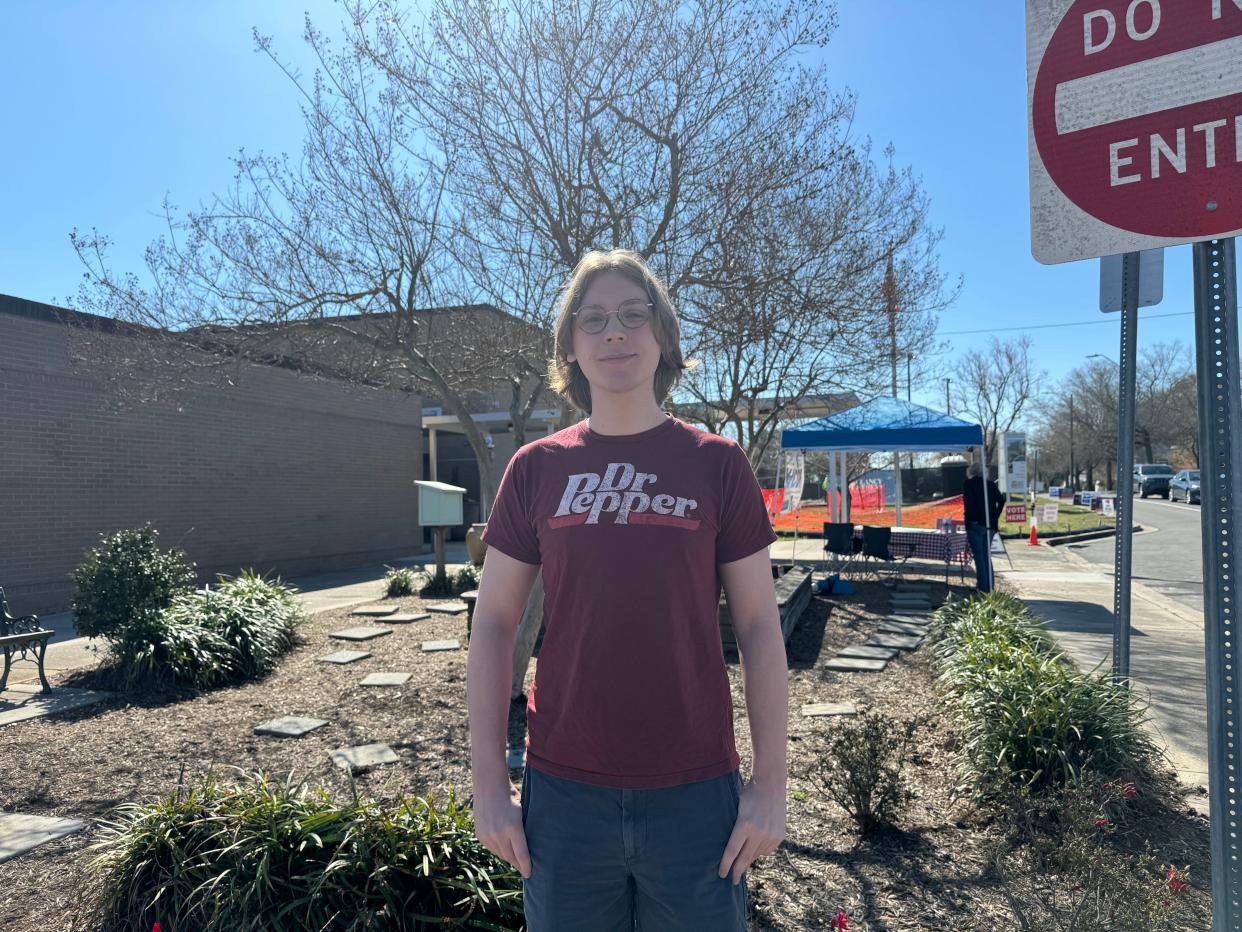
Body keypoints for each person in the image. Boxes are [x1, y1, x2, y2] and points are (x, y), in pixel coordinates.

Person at [467, 249, 788, 930]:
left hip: (698, 796)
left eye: (633, 315)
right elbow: (494, 623)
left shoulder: (717, 464)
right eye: (594, 319)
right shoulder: (535, 470)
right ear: (571, 349)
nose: (615, 332)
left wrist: (770, 787)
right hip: (565, 797)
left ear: (663, 336)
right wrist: (490, 787)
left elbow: (760, 626)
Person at [963, 461, 1005, 592]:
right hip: (990, 525)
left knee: (979, 557)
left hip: (975, 523)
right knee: (987, 556)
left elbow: (969, 504)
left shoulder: (968, 484)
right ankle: (990, 586)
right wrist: (994, 516)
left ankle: (983, 586)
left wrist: (973, 520)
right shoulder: (991, 485)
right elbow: (1002, 500)